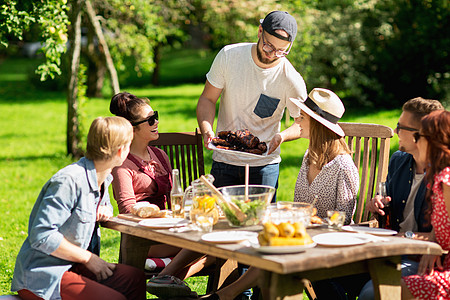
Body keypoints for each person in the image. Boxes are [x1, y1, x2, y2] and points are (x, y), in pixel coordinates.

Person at [201, 88, 361, 300]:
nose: (296, 121)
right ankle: (226, 295)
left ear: (318, 124)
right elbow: (300, 206)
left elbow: (342, 220)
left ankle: (224, 295)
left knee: (273, 255)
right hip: (302, 237)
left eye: (302, 117)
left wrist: (309, 224)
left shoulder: (343, 166)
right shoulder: (309, 157)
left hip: (328, 246)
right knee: (267, 248)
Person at [11, 117, 146, 300]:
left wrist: (106, 207)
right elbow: (41, 235)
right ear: (121, 151)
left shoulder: (103, 178)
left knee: (135, 278)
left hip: (75, 266)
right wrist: (89, 259)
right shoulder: (68, 181)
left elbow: (94, 206)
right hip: (44, 274)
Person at [196, 10, 308, 196]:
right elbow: (207, 99)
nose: (272, 54)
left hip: (264, 166)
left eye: (281, 51)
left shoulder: (291, 79)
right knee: (222, 222)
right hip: (225, 159)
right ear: (259, 31)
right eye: (268, 46)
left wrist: (282, 136)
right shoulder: (229, 56)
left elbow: (302, 124)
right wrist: (207, 130)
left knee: (260, 223)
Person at [110, 92, 210, 298]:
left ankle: (166, 280)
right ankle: (169, 280)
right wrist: (162, 216)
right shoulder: (123, 164)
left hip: (171, 232)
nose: (156, 122)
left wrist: (196, 194)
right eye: (150, 120)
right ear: (132, 129)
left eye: (155, 116)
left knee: (220, 248)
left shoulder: (160, 156)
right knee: (211, 243)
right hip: (144, 240)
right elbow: (127, 210)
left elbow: (176, 199)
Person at [359, 97, 444, 300]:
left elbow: (442, 237)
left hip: (421, 258)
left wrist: (404, 238)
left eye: (400, 126)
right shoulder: (398, 160)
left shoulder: (444, 176)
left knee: (371, 293)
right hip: (388, 249)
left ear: (419, 135)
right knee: (327, 278)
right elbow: (386, 196)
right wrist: (376, 202)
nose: (395, 131)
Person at [402, 109, 450, 299]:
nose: (415, 142)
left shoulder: (447, 180)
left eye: (418, 136)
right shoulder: (439, 177)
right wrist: (433, 242)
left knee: (395, 289)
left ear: (432, 140)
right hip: (441, 265)